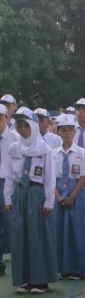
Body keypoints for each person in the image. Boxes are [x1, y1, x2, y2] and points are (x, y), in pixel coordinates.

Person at [3, 108, 57, 293]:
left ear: (33, 127)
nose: (23, 129)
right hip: (20, 194)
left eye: (26, 125)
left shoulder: (44, 149)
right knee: (21, 236)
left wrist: (49, 201)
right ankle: (25, 279)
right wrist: (7, 197)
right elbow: (10, 175)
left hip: (36, 193)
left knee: (37, 236)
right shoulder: (14, 148)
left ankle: (40, 280)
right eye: (19, 125)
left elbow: (50, 177)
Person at [54, 113, 85, 280]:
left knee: (77, 231)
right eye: (63, 130)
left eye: (70, 130)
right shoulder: (53, 153)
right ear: (58, 132)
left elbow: (84, 177)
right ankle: (62, 267)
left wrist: (73, 196)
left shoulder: (82, 153)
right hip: (58, 193)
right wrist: (57, 196)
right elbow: (50, 178)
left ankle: (78, 268)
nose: (67, 134)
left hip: (76, 194)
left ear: (74, 132)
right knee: (60, 232)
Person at [0, 104, 15, 276]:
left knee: (11, 224)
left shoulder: (14, 138)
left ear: (6, 118)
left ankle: (19, 260)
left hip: (7, 183)